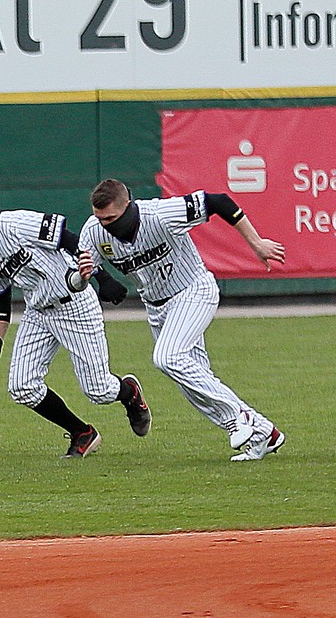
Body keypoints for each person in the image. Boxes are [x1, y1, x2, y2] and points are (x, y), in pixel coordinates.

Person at [78, 180, 287, 462]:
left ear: (127, 206)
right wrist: (86, 277)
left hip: (192, 291)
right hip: (156, 307)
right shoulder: (93, 231)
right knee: (193, 382)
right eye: (100, 218)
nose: (105, 224)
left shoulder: (159, 214)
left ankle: (243, 416)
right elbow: (79, 276)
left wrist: (257, 243)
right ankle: (264, 433)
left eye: (111, 218)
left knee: (166, 357)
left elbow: (218, 201)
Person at [0, 182, 150, 458]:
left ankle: (129, 392)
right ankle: (82, 433)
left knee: (98, 391)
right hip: (39, 311)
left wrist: (103, 278)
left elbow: (68, 237)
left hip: (74, 305)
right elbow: (0, 297)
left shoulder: (14, 223)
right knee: (22, 387)